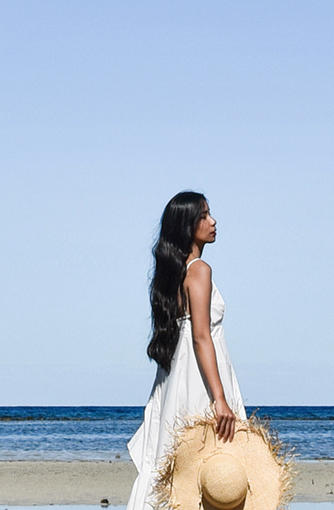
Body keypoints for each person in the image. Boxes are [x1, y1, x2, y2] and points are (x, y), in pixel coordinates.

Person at [126, 191, 247, 510]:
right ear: (187, 226)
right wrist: (220, 398)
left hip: (175, 381)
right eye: (204, 216)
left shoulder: (172, 275)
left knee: (175, 469)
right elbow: (201, 337)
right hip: (199, 380)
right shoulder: (199, 270)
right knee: (214, 470)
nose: (213, 221)